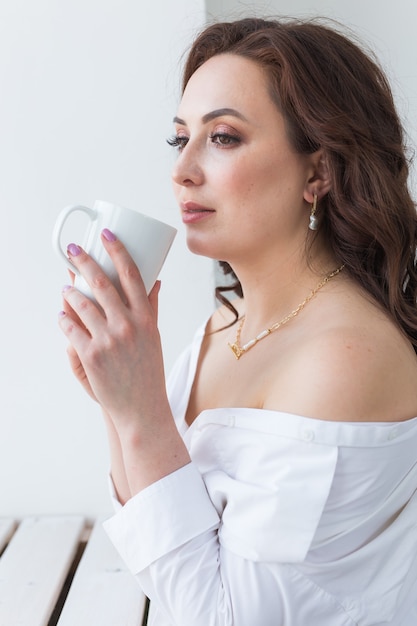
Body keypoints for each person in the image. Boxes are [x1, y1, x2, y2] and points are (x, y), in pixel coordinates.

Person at [58, 17, 417, 625]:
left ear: (318, 172)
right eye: (180, 138)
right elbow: (160, 559)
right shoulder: (223, 327)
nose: (182, 170)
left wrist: (140, 410)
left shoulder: (345, 358)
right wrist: (117, 399)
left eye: (223, 137)